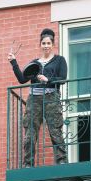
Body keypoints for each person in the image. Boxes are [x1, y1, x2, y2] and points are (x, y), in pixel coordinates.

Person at [8, 28, 68, 167]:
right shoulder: (34, 63)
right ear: (40, 45)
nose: (46, 46)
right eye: (43, 43)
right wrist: (14, 62)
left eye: (48, 43)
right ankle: (28, 163)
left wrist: (48, 79)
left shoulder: (59, 60)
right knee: (30, 132)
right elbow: (22, 79)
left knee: (55, 130)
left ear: (52, 44)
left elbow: (63, 78)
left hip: (51, 97)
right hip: (34, 99)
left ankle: (61, 161)